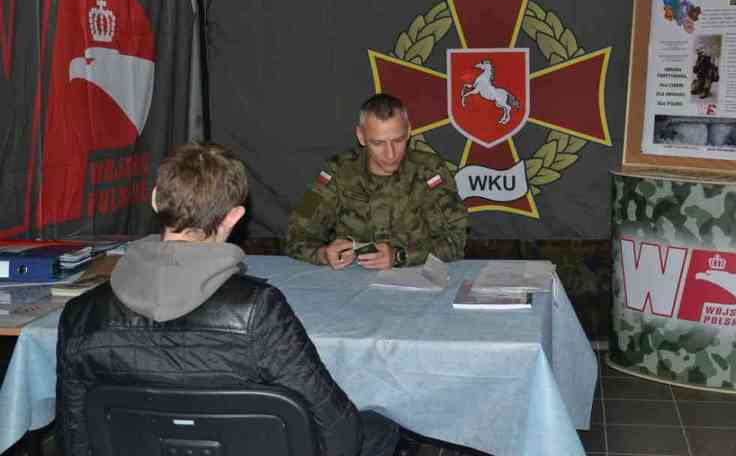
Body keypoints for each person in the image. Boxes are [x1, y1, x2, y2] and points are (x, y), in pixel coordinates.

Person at [56, 142, 399, 456]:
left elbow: (76, 440)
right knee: (379, 430)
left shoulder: (80, 315)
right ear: (235, 216)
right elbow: (339, 432)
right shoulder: (257, 311)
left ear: (156, 199)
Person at [286, 93, 467, 270]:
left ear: (409, 131)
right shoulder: (336, 171)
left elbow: (457, 241)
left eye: (398, 140)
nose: (390, 154)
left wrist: (399, 256)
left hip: (416, 279)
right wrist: (324, 254)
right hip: (351, 279)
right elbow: (296, 233)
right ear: (361, 137)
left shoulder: (430, 170)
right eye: (378, 143)